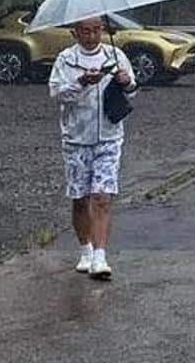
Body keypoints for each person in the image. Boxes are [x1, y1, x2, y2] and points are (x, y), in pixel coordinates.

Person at [49, 16, 137, 281]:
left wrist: (125, 82)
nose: (91, 36)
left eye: (96, 30)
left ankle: (101, 256)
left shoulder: (115, 55)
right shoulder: (66, 59)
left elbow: (132, 91)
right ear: (76, 33)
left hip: (109, 136)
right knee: (80, 199)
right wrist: (81, 83)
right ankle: (85, 250)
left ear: (102, 30)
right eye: (85, 31)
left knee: (102, 196)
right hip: (76, 138)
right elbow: (56, 93)